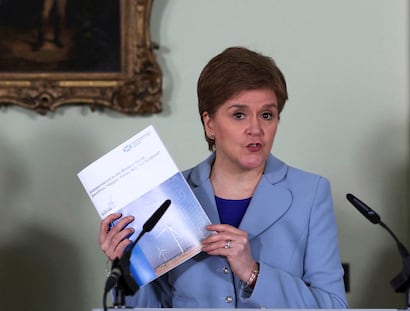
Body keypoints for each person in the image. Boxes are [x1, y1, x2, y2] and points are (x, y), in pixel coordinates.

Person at [99, 46, 349, 308]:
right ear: (209, 124)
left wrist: (253, 273)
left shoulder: (310, 193)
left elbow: (333, 305)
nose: (256, 129)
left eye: (267, 115)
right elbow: (154, 304)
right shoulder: (168, 195)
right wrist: (127, 267)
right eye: (239, 115)